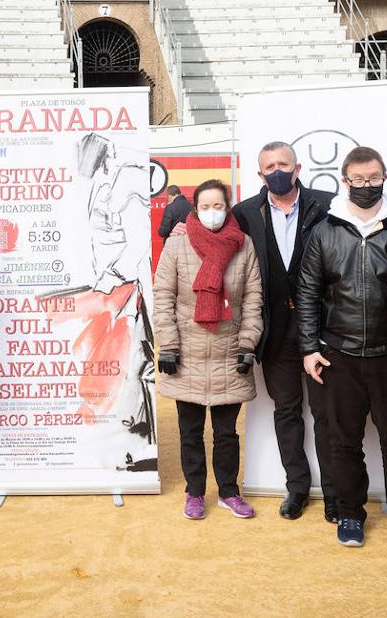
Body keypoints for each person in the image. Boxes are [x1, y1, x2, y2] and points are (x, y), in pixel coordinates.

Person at [297, 146, 387, 548]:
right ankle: (351, 513)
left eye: (374, 178)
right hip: (339, 353)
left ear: (385, 177)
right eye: (358, 179)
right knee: (343, 441)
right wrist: (308, 346)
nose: (367, 185)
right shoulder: (325, 230)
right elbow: (307, 291)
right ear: (345, 181)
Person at [230, 141, 338, 522]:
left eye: (283, 164)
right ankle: (297, 488)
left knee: (326, 415)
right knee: (287, 411)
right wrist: (183, 224)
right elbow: (216, 243)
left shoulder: (328, 205)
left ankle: (334, 493)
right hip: (274, 331)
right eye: (269, 165)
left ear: (297, 168)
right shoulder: (244, 213)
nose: (277, 170)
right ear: (261, 174)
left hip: (321, 330)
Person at [154, 179, 263, 520]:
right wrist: (168, 345)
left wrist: (248, 343)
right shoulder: (177, 245)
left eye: (218, 206)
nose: (212, 213)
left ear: (227, 208)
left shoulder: (243, 245)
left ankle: (229, 492)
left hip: (229, 354)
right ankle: (195, 492)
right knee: (190, 432)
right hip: (186, 353)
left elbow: (253, 299)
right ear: (194, 209)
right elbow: (163, 298)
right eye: (205, 207)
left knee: (227, 434)